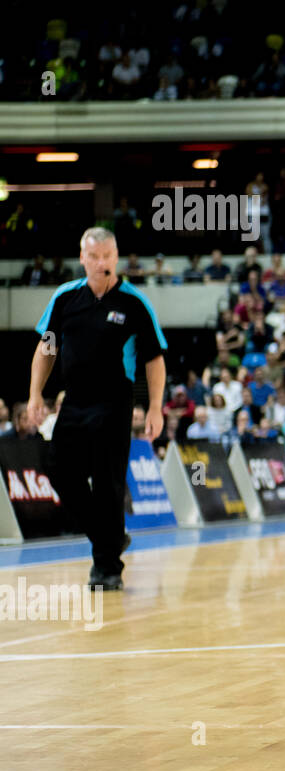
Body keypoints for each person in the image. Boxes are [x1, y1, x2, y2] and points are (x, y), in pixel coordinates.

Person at [28, 228, 167, 590]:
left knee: (108, 484)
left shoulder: (134, 303)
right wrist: (34, 395)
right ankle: (109, 538)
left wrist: (155, 408)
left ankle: (106, 569)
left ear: (116, 257)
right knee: (57, 467)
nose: (101, 262)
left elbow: (154, 358)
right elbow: (46, 349)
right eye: (95, 256)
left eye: (107, 256)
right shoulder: (64, 299)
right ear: (82, 257)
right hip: (73, 401)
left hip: (115, 403)